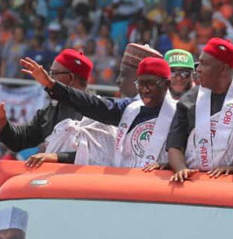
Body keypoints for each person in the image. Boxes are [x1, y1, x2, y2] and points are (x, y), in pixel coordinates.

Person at [23, 57, 177, 169]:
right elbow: (92, 105)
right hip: (129, 186)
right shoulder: (129, 110)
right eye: (141, 84)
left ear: (167, 84)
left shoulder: (180, 113)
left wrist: (170, 165)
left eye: (151, 84)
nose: (145, 89)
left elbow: (192, 153)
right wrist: (52, 85)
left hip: (161, 189)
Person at [167, 38, 233, 182]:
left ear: (223, 68)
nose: (198, 69)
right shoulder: (189, 100)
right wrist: (181, 169)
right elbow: (174, 146)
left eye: (204, 64)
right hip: (194, 183)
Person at [0, 50, 95, 152]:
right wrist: (1, 120)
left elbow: (87, 154)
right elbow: (19, 141)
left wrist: (55, 157)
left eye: (54, 74)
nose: (49, 78)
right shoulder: (50, 111)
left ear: (70, 78)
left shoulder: (95, 112)